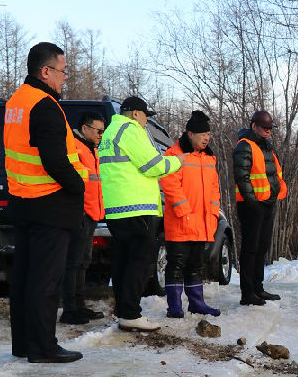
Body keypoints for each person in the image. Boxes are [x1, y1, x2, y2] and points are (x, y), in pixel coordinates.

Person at [4, 42, 86, 363]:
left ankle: (24, 344)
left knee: (24, 277)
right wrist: (78, 185)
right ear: (46, 71)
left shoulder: (16, 103)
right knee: (46, 280)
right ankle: (43, 347)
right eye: (63, 72)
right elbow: (55, 160)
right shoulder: (45, 106)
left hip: (23, 203)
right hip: (50, 205)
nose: (64, 79)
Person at [98, 96, 183, 331]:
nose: (146, 121)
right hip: (137, 207)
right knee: (141, 261)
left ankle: (124, 310)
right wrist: (177, 162)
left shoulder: (109, 132)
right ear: (136, 113)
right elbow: (154, 165)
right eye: (146, 116)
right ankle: (131, 313)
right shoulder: (131, 130)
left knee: (123, 261)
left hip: (117, 208)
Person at [160, 111, 221, 318]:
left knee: (196, 264)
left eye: (208, 134)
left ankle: (197, 303)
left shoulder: (209, 157)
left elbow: (214, 189)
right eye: (203, 134)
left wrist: (213, 214)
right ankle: (174, 307)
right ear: (190, 134)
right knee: (176, 264)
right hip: (180, 222)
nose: (207, 138)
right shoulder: (174, 154)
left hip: (202, 222)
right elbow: (169, 184)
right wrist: (184, 211)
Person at [232, 110, 287, 306]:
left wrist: (274, 195)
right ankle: (247, 293)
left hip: (267, 204)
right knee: (250, 249)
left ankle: (258, 288)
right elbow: (241, 176)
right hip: (251, 206)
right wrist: (252, 201)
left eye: (270, 128)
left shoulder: (267, 147)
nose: (268, 131)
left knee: (261, 247)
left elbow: (273, 173)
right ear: (254, 126)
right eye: (265, 128)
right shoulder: (244, 146)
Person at [59, 112, 106, 324]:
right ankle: (70, 310)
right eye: (98, 131)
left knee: (83, 261)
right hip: (79, 212)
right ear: (85, 129)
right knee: (73, 262)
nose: (101, 135)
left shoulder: (91, 150)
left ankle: (80, 306)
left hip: (92, 212)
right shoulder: (75, 147)